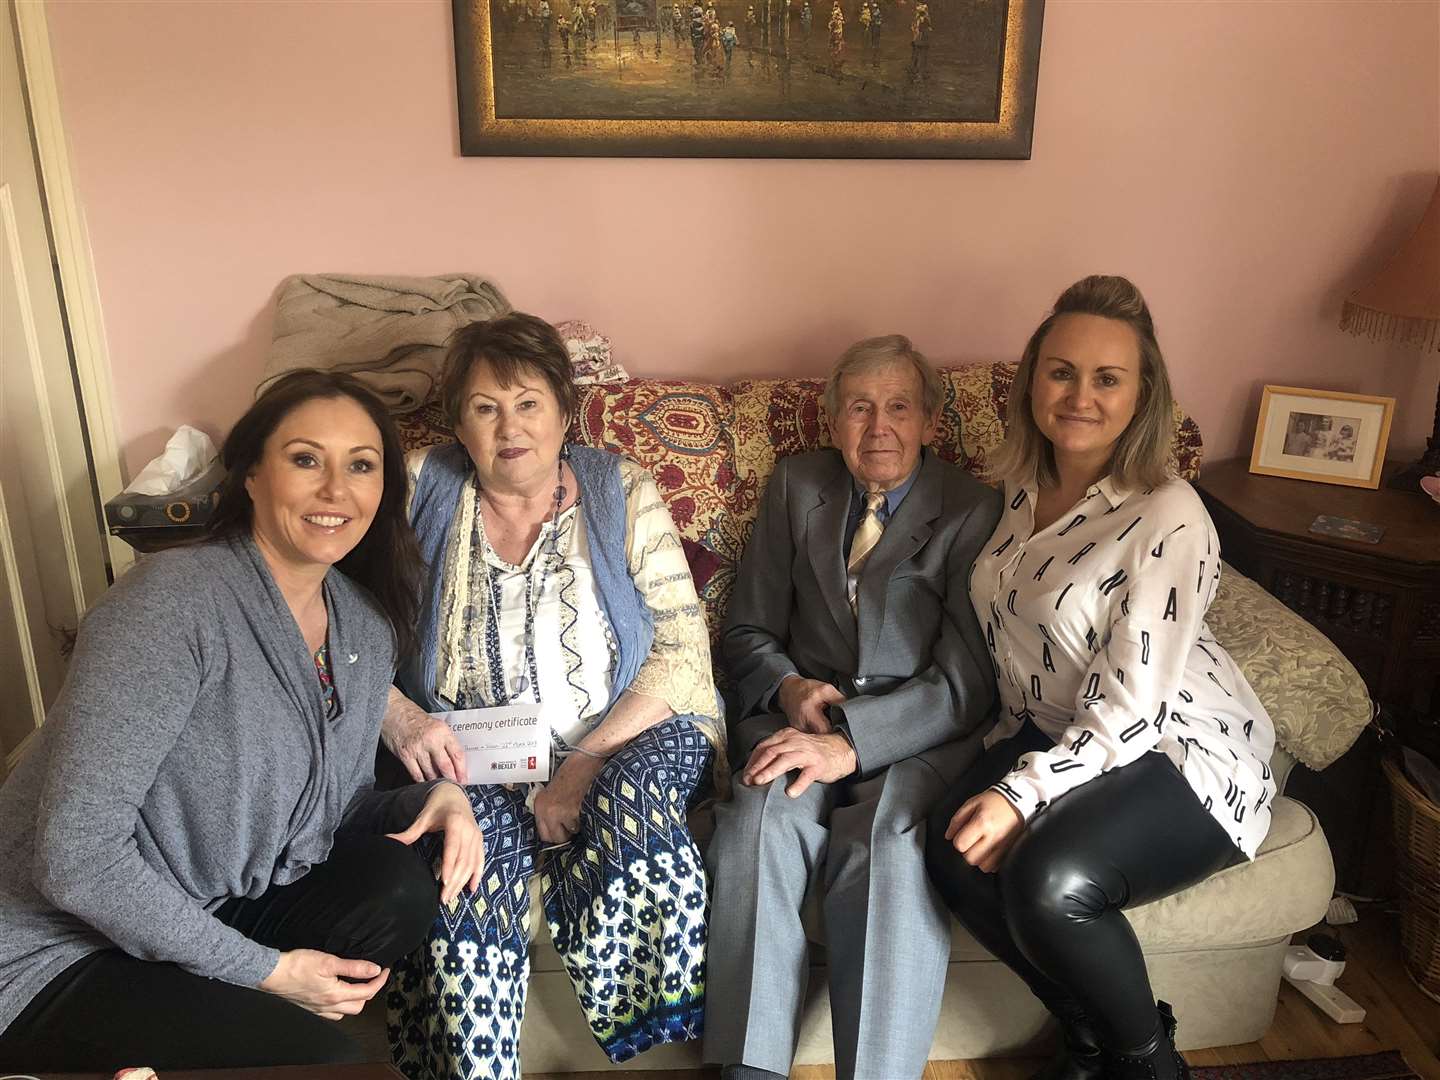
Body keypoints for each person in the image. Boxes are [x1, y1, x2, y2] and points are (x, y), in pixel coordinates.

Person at [0, 371, 483, 1071]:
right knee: (325, 1064)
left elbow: (332, 809)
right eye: (306, 459)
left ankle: (176, 1027)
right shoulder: (169, 607)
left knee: (396, 887)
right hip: (56, 941)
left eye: (361, 465)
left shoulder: (360, 624)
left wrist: (435, 800)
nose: (335, 491)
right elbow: (75, 856)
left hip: (199, 901)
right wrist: (268, 972)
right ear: (252, 474)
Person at [924, 276, 1276, 1080]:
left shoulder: (1168, 513)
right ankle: (1086, 1030)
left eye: (1107, 378)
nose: (1079, 395)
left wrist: (1020, 792)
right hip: (1053, 731)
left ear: (1142, 393)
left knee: (1049, 882)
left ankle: (1150, 1062)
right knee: (948, 850)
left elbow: (1130, 709)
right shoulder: (1015, 484)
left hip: (1177, 748)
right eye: (1060, 371)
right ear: (1031, 380)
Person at [384, 313, 724, 1080]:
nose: (510, 427)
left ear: (564, 411)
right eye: (484, 407)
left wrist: (580, 768)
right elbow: (337, 627)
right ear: (457, 424)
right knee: (461, 880)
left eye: (528, 402)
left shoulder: (618, 488)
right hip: (478, 756)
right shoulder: (418, 487)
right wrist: (400, 716)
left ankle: (660, 1043)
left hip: (635, 725)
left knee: (632, 809)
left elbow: (680, 649)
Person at [703, 335, 1002, 1080]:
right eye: (859, 408)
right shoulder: (795, 486)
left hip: (915, 736)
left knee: (886, 847)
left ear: (930, 421)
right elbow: (747, 629)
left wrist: (854, 744)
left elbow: (966, 681)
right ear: (832, 420)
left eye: (898, 407)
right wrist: (786, 686)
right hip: (799, 720)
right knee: (757, 820)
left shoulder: (973, 510)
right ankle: (750, 1069)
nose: (879, 428)